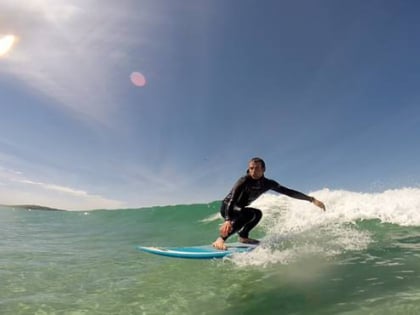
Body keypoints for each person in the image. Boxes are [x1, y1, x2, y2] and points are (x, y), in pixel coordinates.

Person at [212, 157, 326, 250]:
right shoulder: (244, 181)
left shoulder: (268, 183)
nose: (253, 171)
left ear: (263, 169)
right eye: (251, 168)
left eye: (256, 168)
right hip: (228, 206)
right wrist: (228, 219)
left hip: (240, 208)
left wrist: (311, 199)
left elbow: (288, 192)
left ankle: (243, 237)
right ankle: (221, 239)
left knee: (257, 214)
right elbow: (232, 199)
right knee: (247, 214)